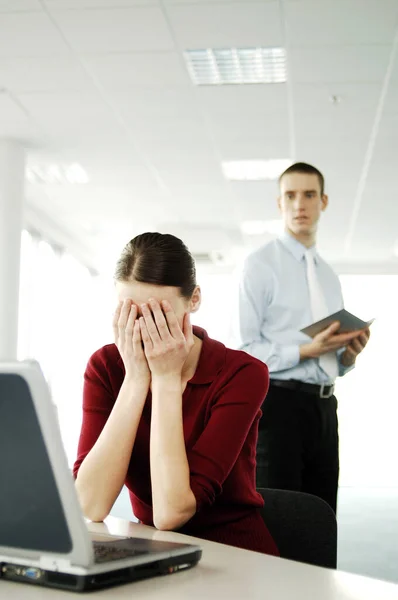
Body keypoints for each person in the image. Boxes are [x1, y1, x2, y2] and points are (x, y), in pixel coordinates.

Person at [74, 232, 278, 556]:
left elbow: (171, 512)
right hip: (158, 552)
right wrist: (136, 378)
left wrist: (167, 378)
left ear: (194, 300)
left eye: (159, 315)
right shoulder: (105, 367)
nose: (144, 330)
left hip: (235, 552)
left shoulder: (243, 373)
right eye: (132, 315)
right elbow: (90, 504)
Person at [238, 162, 370, 513]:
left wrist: (348, 357)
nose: (300, 205)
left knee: (322, 515)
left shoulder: (328, 275)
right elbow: (246, 352)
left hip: (326, 407)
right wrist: (306, 350)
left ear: (323, 202)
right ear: (279, 203)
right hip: (278, 408)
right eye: (290, 196)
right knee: (281, 520)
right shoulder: (259, 265)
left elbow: (332, 356)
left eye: (309, 195)